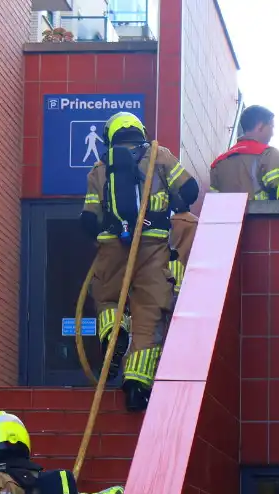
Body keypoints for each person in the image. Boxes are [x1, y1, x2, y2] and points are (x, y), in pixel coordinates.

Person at [81, 111, 199, 411]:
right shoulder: (160, 155)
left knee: (108, 298)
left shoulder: (99, 167)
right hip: (152, 243)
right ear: (139, 131)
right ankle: (136, 383)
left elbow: (88, 218)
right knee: (149, 312)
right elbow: (189, 190)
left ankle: (114, 332)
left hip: (112, 246)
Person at [209, 105, 279, 200]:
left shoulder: (218, 163)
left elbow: (214, 202)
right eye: (271, 127)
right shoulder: (269, 155)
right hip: (261, 214)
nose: (272, 133)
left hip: (227, 215)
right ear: (260, 126)